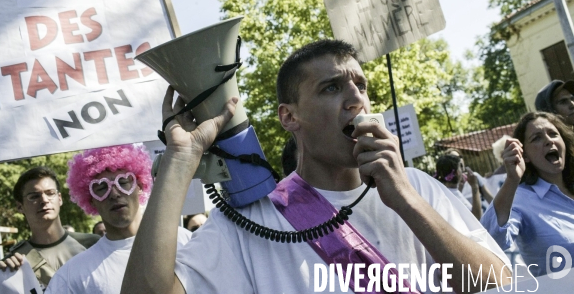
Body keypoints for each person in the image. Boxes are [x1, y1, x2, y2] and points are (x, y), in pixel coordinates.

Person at [123, 40, 510, 293]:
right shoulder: (250, 222)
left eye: (361, 85)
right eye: (331, 87)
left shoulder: (418, 188)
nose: (356, 98)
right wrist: (180, 161)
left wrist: (406, 199)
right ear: (289, 117)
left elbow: (501, 284)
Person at [45, 144, 191, 294]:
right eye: (101, 188)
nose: (114, 193)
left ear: (140, 186)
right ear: (91, 200)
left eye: (123, 182)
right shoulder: (72, 276)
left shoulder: (183, 241)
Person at [481, 112, 574, 277]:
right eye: (536, 138)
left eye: (553, 134)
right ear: (525, 155)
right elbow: (490, 240)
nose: (548, 140)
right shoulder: (520, 199)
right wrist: (512, 180)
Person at [0, 166, 99, 289]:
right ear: (19, 207)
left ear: (59, 199)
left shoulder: (93, 244)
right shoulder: (14, 263)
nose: (44, 200)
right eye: (34, 196)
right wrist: (0, 280)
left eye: (50, 193)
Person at [434, 154, 483, 220]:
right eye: (461, 166)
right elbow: (476, 218)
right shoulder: (453, 193)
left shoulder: (439, 192)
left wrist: (459, 189)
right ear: (457, 172)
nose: (463, 170)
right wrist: (474, 186)